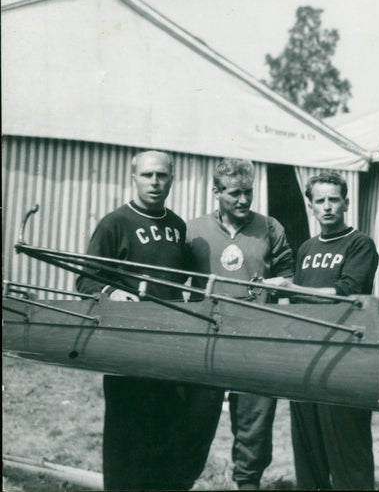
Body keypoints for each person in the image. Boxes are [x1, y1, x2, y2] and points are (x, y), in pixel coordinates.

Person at [76, 150, 222, 491]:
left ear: (171, 179)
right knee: (127, 440)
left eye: (162, 175)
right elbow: (85, 280)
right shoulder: (115, 223)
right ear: (134, 178)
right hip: (128, 347)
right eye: (147, 175)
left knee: (168, 437)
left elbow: (183, 281)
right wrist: (113, 291)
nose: (155, 182)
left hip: (169, 347)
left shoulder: (178, 226)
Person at [263, 171, 379, 490]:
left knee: (348, 453)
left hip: (345, 358)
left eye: (334, 200)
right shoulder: (306, 248)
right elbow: (299, 304)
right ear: (310, 206)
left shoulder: (360, 243)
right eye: (320, 201)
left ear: (346, 203)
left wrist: (292, 287)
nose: (327, 207)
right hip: (308, 358)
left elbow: (347, 292)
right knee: (308, 453)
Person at [186, 158, 294, 490]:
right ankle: (181, 479)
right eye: (235, 193)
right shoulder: (193, 232)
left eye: (249, 192)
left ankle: (248, 483)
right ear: (216, 191)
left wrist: (279, 289)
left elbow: (288, 279)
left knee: (254, 428)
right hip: (207, 341)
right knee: (192, 423)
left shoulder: (270, 227)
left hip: (255, 343)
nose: (244, 200)